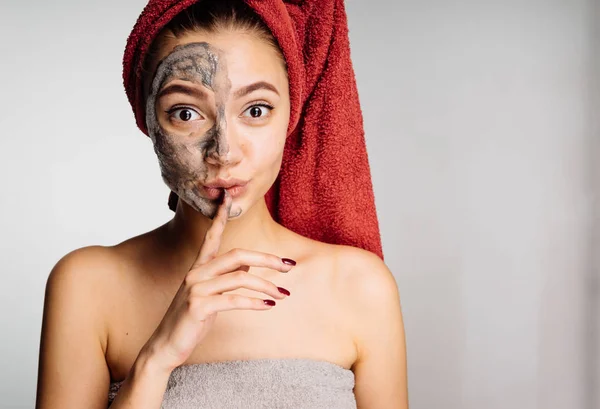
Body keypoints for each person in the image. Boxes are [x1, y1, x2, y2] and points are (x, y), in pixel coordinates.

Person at [35, 0, 408, 407]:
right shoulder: (87, 285)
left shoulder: (360, 286)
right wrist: (156, 358)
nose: (224, 151)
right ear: (145, 119)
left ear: (293, 115)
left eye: (256, 109)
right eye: (186, 112)